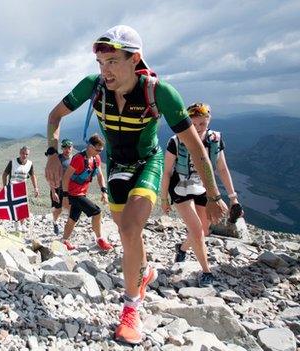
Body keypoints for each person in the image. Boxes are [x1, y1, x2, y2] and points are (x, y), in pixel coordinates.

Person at [44, 25, 227, 345]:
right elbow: (55, 115)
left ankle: (130, 310)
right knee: (128, 232)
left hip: (148, 164)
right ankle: (144, 272)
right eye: (101, 63)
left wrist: (213, 195)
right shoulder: (93, 86)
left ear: (135, 59)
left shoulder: (160, 93)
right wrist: (51, 153)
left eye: (113, 61)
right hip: (115, 167)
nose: (105, 70)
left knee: (129, 228)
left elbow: (197, 149)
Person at [160, 102, 244, 287]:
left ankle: (181, 249)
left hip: (202, 185)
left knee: (205, 230)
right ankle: (206, 271)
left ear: (209, 121)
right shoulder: (175, 141)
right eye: (194, 124)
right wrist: (164, 198)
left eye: (202, 124)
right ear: (188, 122)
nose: (197, 128)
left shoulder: (215, 140)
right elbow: (166, 171)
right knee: (197, 230)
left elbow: (222, 168)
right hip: (180, 186)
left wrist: (233, 198)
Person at [61, 134, 113, 251]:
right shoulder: (78, 159)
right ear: (90, 146)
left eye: (101, 150)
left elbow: (99, 175)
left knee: (73, 218)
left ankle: (64, 241)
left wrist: (104, 191)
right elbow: (66, 177)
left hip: (81, 193)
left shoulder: (96, 159)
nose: (99, 152)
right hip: (73, 194)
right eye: (97, 150)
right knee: (97, 212)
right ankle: (100, 239)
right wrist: (65, 196)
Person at [2, 146, 40, 232]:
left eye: (26, 154)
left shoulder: (30, 163)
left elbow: (33, 176)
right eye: (23, 153)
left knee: (23, 207)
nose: (24, 155)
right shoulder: (13, 162)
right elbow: (4, 174)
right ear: (20, 152)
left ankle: (22, 225)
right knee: (15, 207)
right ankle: (17, 226)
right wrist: (5, 187)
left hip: (22, 188)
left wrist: (36, 188)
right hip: (12, 187)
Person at [50, 139, 74, 234]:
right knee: (58, 210)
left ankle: (68, 229)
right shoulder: (57, 159)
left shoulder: (75, 159)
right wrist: (53, 191)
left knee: (71, 208)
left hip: (70, 189)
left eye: (69, 147)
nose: (67, 150)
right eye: (65, 147)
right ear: (62, 148)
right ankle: (55, 222)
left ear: (72, 148)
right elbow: (51, 175)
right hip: (57, 188)